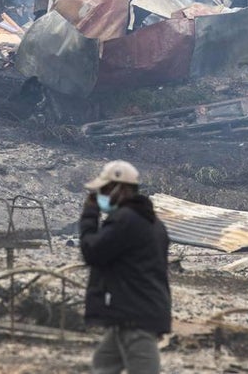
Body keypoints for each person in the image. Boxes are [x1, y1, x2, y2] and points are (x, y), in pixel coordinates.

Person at [79, 160, 171, 374]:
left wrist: (90, 215)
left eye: (103, 190)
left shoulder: (125, 220)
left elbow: (92, 252)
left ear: (119, 189)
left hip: (135, 316)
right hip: (132, 312)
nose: (99, 196)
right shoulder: (152, 222)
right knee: (103, 365)